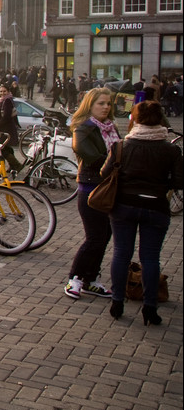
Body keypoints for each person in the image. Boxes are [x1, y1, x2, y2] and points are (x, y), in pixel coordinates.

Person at [106, 101, 182, 323]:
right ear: (161, 120)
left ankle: (117, 302)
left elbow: (105, 172)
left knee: (121, 254)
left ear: (135, 120)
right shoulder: (170, 149)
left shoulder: (121, 146)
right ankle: (150, 307)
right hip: (156, 207)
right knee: (150, 258)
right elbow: (179, 180)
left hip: (124, 206)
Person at [64, 87, 117, 300]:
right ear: (90, 105)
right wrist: (116, 161)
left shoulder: (111, 127)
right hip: (91, 188)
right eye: (101, 103)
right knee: (94, 237)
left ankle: (91, 280)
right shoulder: (83, 128)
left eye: (108, 104)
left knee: (105, 236)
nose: (105, 107)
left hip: (109, 188)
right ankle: (74, 278)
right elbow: (93, 157)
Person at [0, 85, 21, 172]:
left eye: (4, 91)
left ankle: (15, 165)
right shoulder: (1, 100)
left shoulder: (7, 101)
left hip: (5, 128)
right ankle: (13, 166)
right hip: (1, 127)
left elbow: (6, 116)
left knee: (1, 148)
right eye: (1, 91)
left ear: (8, 91)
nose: (2, 93)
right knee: (5, 148)